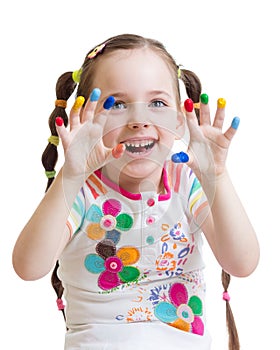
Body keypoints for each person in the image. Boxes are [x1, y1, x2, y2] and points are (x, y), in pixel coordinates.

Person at [12, 34, 259, 350]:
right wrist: (70, 176)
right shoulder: (82, 193)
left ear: (181, 120)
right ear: (85, 117)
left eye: (157, 103)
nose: (139, 120)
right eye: (117, 104)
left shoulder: (186, 184)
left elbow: (243, 262)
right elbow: (28, 267)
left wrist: (216, 177)